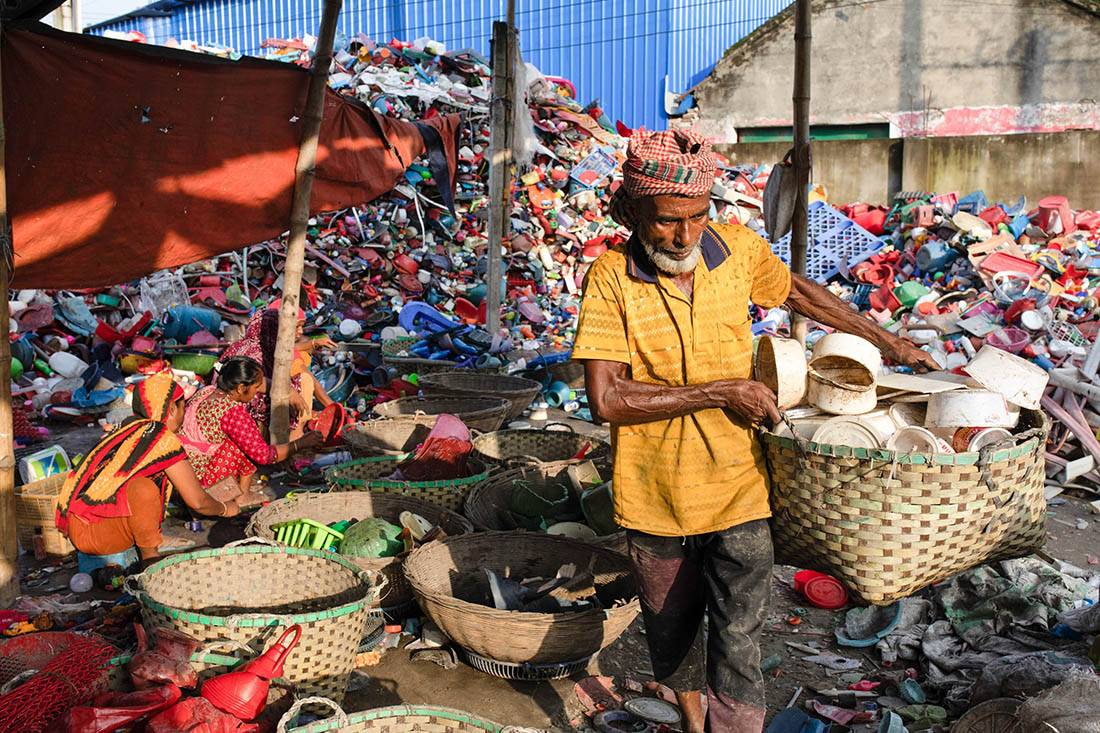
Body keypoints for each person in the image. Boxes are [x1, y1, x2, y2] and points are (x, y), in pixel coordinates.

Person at [573, 129, 938, 733]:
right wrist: (721, 392)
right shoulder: (611, 277)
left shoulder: (736, 250)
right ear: (635, 209)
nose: (684, 235)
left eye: (695, 217)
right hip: (653, 493)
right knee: (672, 628)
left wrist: (887, 340)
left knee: (740, 628)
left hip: (739, 486)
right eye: (666, 221)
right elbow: (607, 398)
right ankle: (694, 721)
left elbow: (798, 292)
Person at [55, 372, 242, 573]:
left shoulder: (128, 427)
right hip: (97, 533)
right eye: (182, 407)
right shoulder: (161, 437)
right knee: (143, 488)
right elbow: (197, 501)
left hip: (78, 525)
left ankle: (149, 542)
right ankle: (150, 560)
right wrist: (226, 508)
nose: (183, 414)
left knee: (141, 486)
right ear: (170, 409)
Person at [180, 356, 322, 499]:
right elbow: (264, 456)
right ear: (241, 388)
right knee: (250, 444)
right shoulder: (232, 411)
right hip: (201, 483)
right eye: (255, 388)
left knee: (246, 438)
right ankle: (236, 497)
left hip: (186, 473)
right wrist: (301, 443)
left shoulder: (207, 391)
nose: (257, 393)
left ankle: (241, 492)